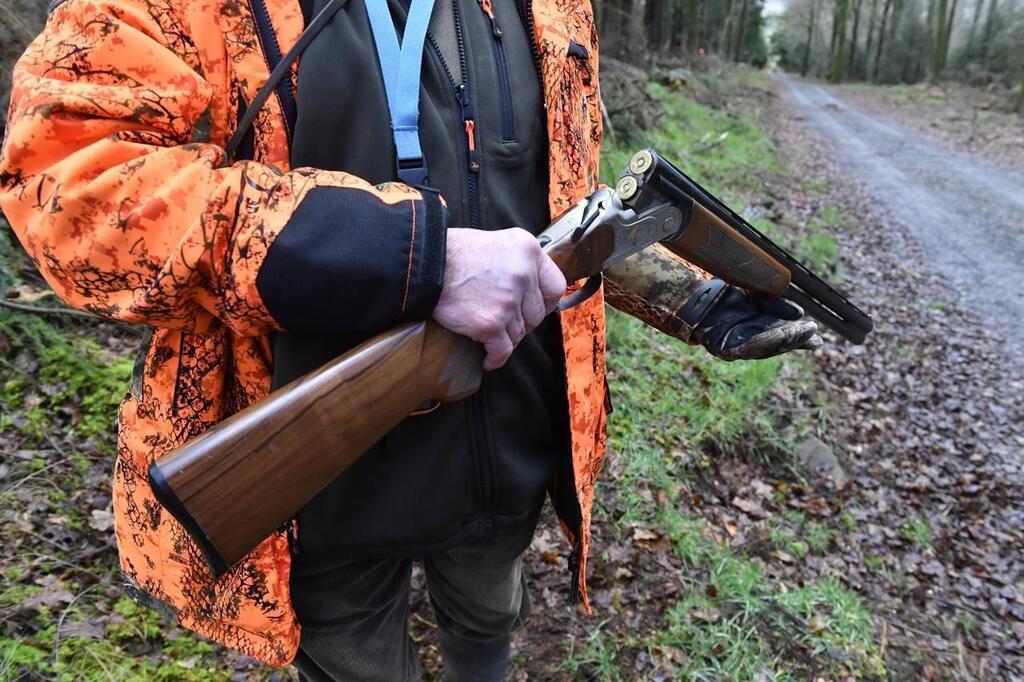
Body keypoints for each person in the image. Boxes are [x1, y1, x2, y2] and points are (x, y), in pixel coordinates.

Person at [0, 0, 819, 679]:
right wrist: (415, 260)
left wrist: (695, 299)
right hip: (318, 487)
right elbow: (71, 187)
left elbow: (562, 204)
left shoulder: (559, 4)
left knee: (489, 618)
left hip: (513, 443)